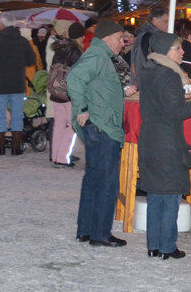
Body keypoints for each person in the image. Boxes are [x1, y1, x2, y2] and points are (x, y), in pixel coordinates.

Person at [138, 32, 191, 260]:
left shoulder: (150, 71)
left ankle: (153, 246)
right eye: (178, 48)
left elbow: (163, 105)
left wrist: (182, 98)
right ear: (166, 51)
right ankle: (167, 247)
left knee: (155, 196)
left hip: (151, 139)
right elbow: (176, 113)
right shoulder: (168, 74)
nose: (182, 52)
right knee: (170, 194)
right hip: (167, 142)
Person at [67, 18, 128, 247]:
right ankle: (100, 233)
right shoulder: (98, 55)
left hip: (101, 125)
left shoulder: (101, 55)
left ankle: (86, 230)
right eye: (120, 39)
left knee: (93, 179)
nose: (122, 44)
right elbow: (74, 78)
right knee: (106, 182)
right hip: (103, 127)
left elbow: (96, 85)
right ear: (109, 37)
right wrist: (81, 108)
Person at [0, 15, 36, 155]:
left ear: (2, 25)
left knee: (0, 115)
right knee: (17, 115)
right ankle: (16, 148)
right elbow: (31, 60)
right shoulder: (22, 41)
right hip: (18, 84)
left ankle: (1, 147)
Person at [47, 26, 83, 167]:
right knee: (72, 126)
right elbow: (79, 73)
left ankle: (55, 156)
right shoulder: (75, 51)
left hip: (56, 92)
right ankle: (62, 157)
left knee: (59, 125)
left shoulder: (59, 49)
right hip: (69, 94)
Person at [130, 5, 168, 75]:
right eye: (165, 22)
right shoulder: (149, 37)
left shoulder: (146, 35)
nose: (168, 25)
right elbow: (148, 62)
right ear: (155, 20)